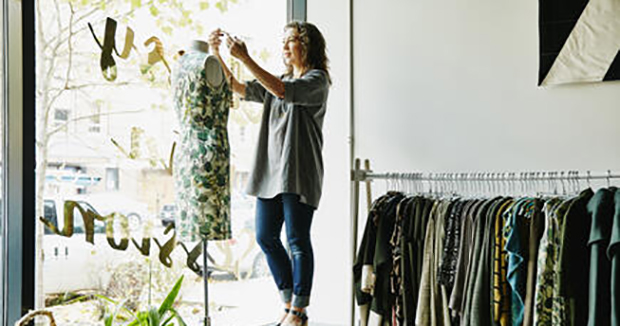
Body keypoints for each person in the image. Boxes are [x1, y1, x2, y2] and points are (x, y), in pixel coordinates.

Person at [208, 21, 330, 326]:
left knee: (297, 240)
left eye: (291, 41)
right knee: (265, 237)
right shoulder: (279, 81)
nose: (285, 47)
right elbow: (236, 87)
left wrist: (246, 58)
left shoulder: (317, 80)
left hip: (299, 172)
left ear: (308, 45)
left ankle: (298, 311)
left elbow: (282, 90)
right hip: (270, 173)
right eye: (284, 41)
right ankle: (289, 305)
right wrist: (216, 53)